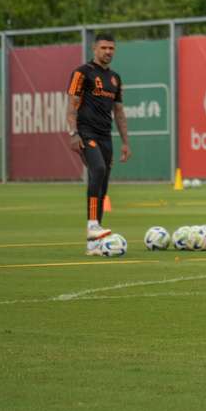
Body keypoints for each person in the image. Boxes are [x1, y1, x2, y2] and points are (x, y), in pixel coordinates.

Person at [67, 33, 131, 255]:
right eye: (104, 48)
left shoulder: (115, 78)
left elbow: (119, 112)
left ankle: (93, 243)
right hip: (86, 132)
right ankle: (92, 225)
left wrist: (125, 142)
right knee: (98, 169)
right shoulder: (81, 73)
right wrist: (73, 133)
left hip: (106, 136)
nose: (108, 52)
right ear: (95, 49)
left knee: (103, 183)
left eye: (112, 48)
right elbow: (72, 106)